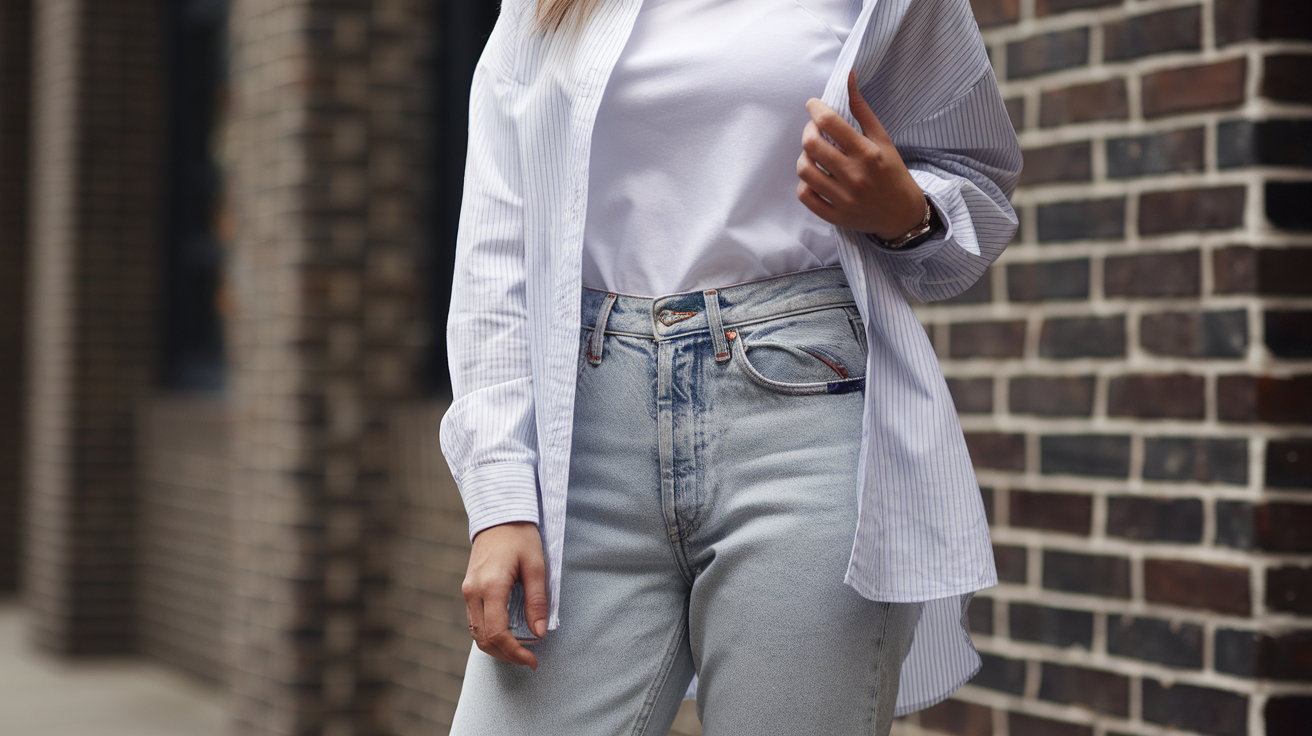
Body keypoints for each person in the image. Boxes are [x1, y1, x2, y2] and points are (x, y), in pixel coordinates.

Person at [440, 0, 1021, 731]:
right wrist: (500, 501)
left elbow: (977, 185)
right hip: (583, 443)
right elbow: (498, 239)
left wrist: (905, 208)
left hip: (803, 421)